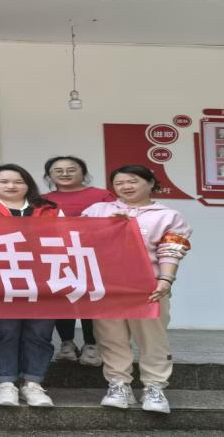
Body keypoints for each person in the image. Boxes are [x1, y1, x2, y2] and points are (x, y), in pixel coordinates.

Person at [83, 165, 192, 414]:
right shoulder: (98, 210)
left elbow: (171, 249)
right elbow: (78, 239)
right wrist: (106, 227)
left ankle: (154, 387)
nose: (126, 186)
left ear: (151, 183)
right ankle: (118, 385)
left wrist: (166, 279)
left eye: (132, 181)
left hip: (147, 286)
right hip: (106, 285)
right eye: (119, 183)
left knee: (152, 338)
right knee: (110, 337)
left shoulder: (168, 215)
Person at [0, 164, 63, 408]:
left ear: (28, 184)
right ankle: (5, 383)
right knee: (2, 332)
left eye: (18, 181)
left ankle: (33, 383)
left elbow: (63, 240)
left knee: (39, 333)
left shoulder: (49, 210)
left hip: (43, 279)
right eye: (3, 181)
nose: (11, 186)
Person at [41, 156, 115, 366]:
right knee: (62, 299)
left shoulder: (102, 196)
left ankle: (92, 345)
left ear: (83, 173)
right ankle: (67, 344)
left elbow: (114, 222)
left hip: (94, 256)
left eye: (71, 169)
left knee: (92, 299)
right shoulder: (42, 199)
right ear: (49, 176)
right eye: (58, 170)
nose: (65, 173)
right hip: (57, 256)